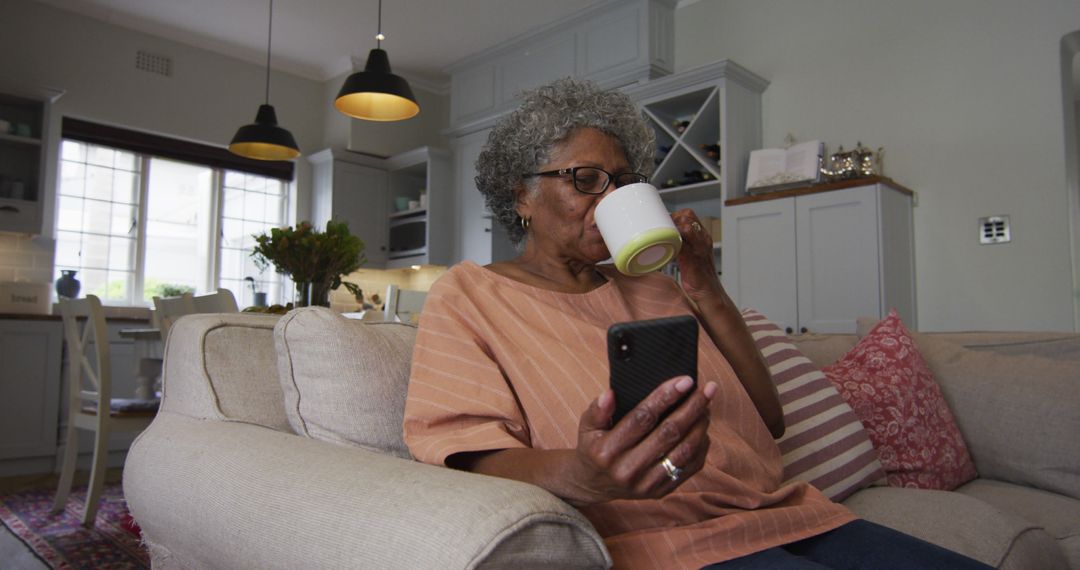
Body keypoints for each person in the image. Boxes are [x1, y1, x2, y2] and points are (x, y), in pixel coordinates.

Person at [402, 78, 990, 569]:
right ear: (522, 195)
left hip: (791, 515)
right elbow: (464, 449)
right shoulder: (471, 294)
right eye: (586, 179)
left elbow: (770, 417)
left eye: (625, 182)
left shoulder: (656, 287)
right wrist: (582, 474)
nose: (610, 198)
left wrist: (703, 283)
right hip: (662, 544)